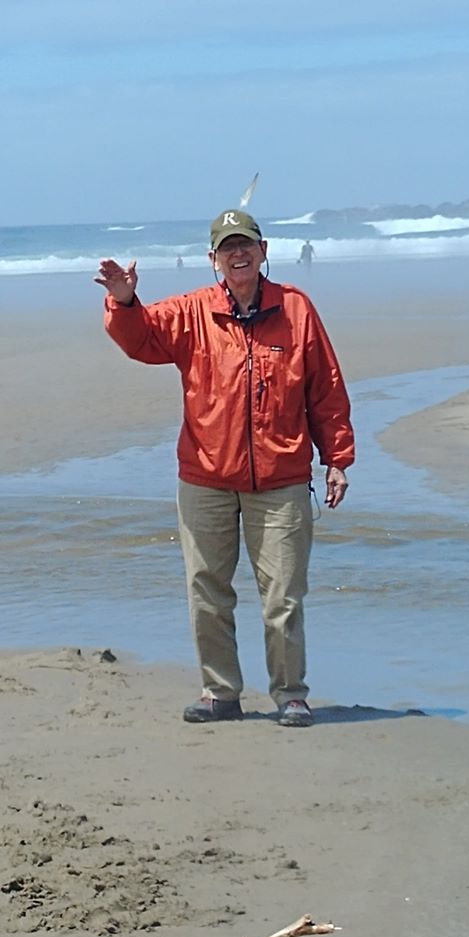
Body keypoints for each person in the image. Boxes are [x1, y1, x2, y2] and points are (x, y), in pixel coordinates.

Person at [95, 209, 354, 728]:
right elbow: (141, 338)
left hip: (281, 478)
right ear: (214, 259)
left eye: (247, 245)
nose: (238, 254)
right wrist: (124, 301)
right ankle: (221, 693)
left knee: (283, 594)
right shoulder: (193, 312)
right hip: (206, 478)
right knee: (208, 590)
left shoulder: (297, 310)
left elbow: (325, 388)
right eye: (227, 247)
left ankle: (290, 695)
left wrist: (338, 459)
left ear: (263, 252)